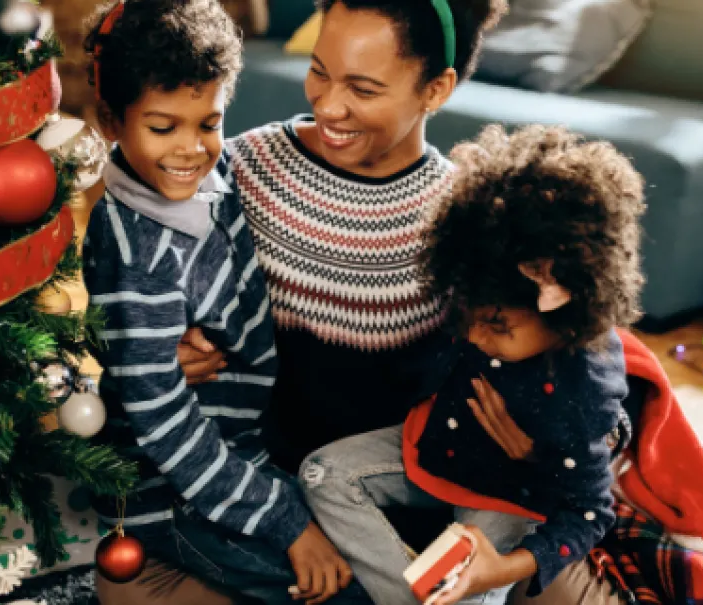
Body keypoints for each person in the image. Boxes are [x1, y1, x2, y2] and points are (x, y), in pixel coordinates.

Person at [177, 1, 632, 603]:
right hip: (282, 486)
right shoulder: (244, 167)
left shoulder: (468, 220)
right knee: (132, 572)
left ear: (436, 88)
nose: (328, 104)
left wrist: (577, 442)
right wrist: (172, 340)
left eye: (362, 88)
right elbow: (148, 277)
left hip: (432, 493)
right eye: (319, 71)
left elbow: (580, 357)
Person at [80, 1, 362, 603]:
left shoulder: (215, 176)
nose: (190, 150)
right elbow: (165, 427)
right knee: (340, 586)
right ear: (110, 120)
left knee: (363, 546)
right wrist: (286, 522)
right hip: (174, 495)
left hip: (242, 457)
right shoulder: (137, 256)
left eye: (209, 123)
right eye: (163, 128)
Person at [297, 124, 646, 605]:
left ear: (566, 314)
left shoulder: (581, 391)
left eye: (498, 327)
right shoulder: (488, 288)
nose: (474, 338)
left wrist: (501, 568)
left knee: (464, 584)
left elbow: (588, 513)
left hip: (511, 494)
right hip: (436, 452)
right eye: (469, 316)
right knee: (321, 473)